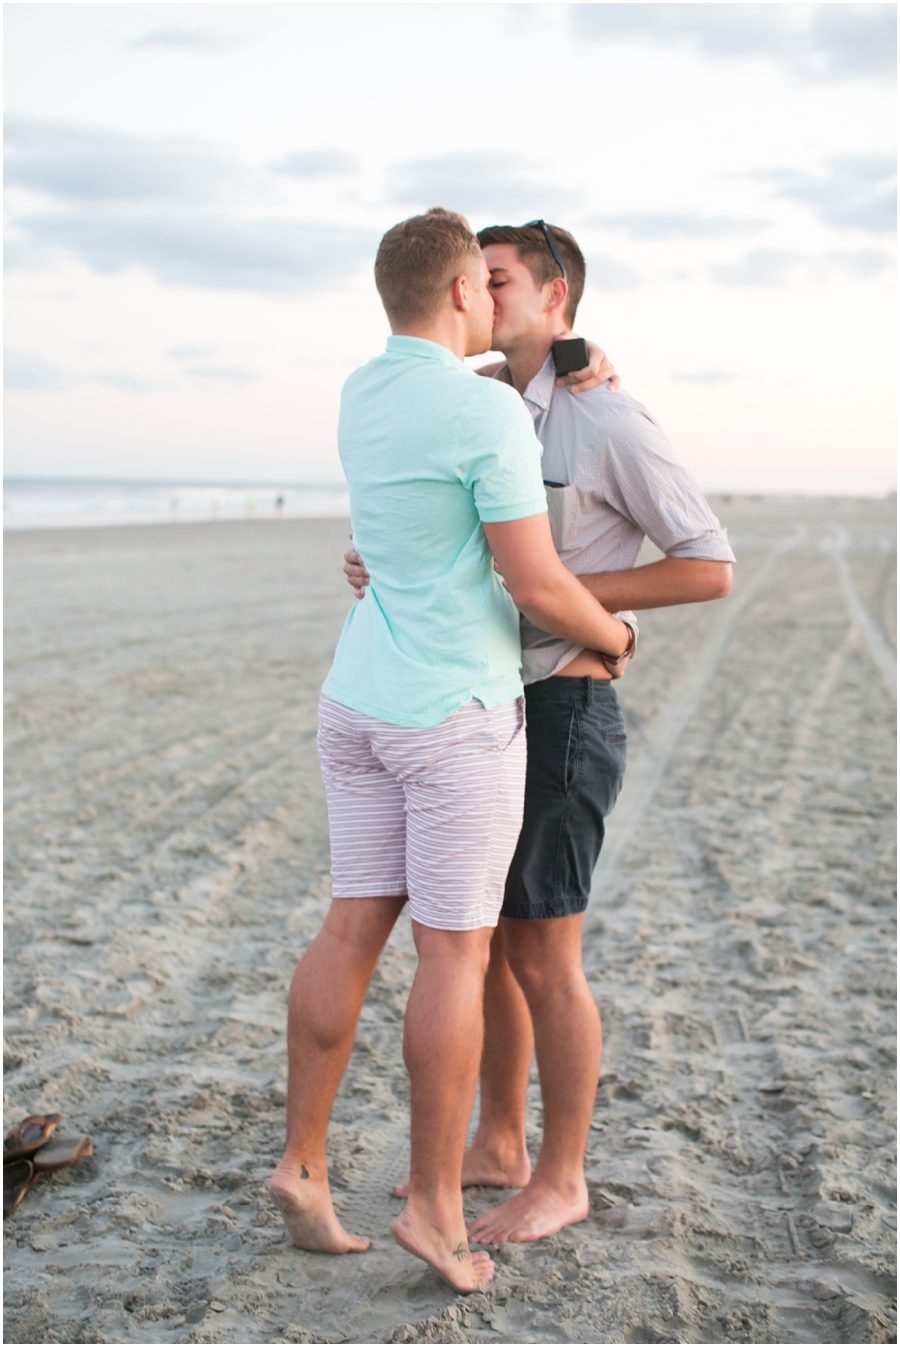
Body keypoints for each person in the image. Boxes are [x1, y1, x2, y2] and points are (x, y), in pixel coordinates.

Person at [344, 220, 735, 1246]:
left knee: (548, 957)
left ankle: (562, 1176)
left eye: (501, 278)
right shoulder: (492, 403)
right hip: (486, 704)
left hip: (565, 701)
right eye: (477, 279)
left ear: (555, 295)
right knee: (500, 942)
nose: (480, 290)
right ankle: (498, 1143)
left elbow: (709, 564)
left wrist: (568, 600)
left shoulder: (608, 421)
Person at [270, 208, 632, 1293]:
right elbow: (533, 583)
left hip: (357, 700)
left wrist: (575, 356)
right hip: (450, 716)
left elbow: (420, 513)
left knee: (350, 926)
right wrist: (611, 634)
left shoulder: (361, 390)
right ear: (465, 294)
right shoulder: (485, 419)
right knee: (455, 957)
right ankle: (435, 1206)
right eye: (483, 281)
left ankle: (301, 1163)